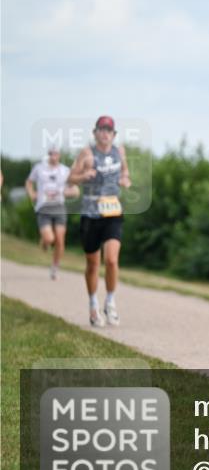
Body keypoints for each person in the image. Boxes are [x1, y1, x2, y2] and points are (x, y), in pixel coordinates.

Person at [68, 116, 132, 327]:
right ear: (95, 133)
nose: (105, 133)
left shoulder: (119, 151)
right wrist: (84, 175)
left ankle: (110, 301)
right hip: (91, 214)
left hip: (113, 212)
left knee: (111, 260)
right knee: (93, 264)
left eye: (109, 130)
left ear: (114, 135)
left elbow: (125, 172)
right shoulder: (86, 153)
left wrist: (125, 179)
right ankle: (93, 304)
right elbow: (70, 178)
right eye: (101, 129)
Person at [25, 147, 79, 279]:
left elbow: (75, 191)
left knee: (60, 239)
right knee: (50, 238)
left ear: (59, 155)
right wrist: (31, 194)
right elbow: (29, 182)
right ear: (48, 155)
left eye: (56, 154)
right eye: (51, 154)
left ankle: (55, 267)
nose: (54, 156)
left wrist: (65, 192)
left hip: (59, 207)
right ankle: (45, 241)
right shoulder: (39, 168)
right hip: (43, 207)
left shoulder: (65, 171)